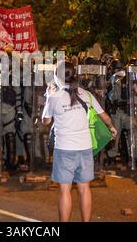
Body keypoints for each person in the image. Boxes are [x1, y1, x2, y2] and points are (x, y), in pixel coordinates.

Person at [42, 61, 117, 222]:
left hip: (64, 149)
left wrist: (48, 96)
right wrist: (112, 127)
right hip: (85, 148)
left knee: (65, 191)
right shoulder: (86, 94)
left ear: (57, 77)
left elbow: (46, 121)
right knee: (84, 189)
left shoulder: (54, 97)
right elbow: (104, 116)